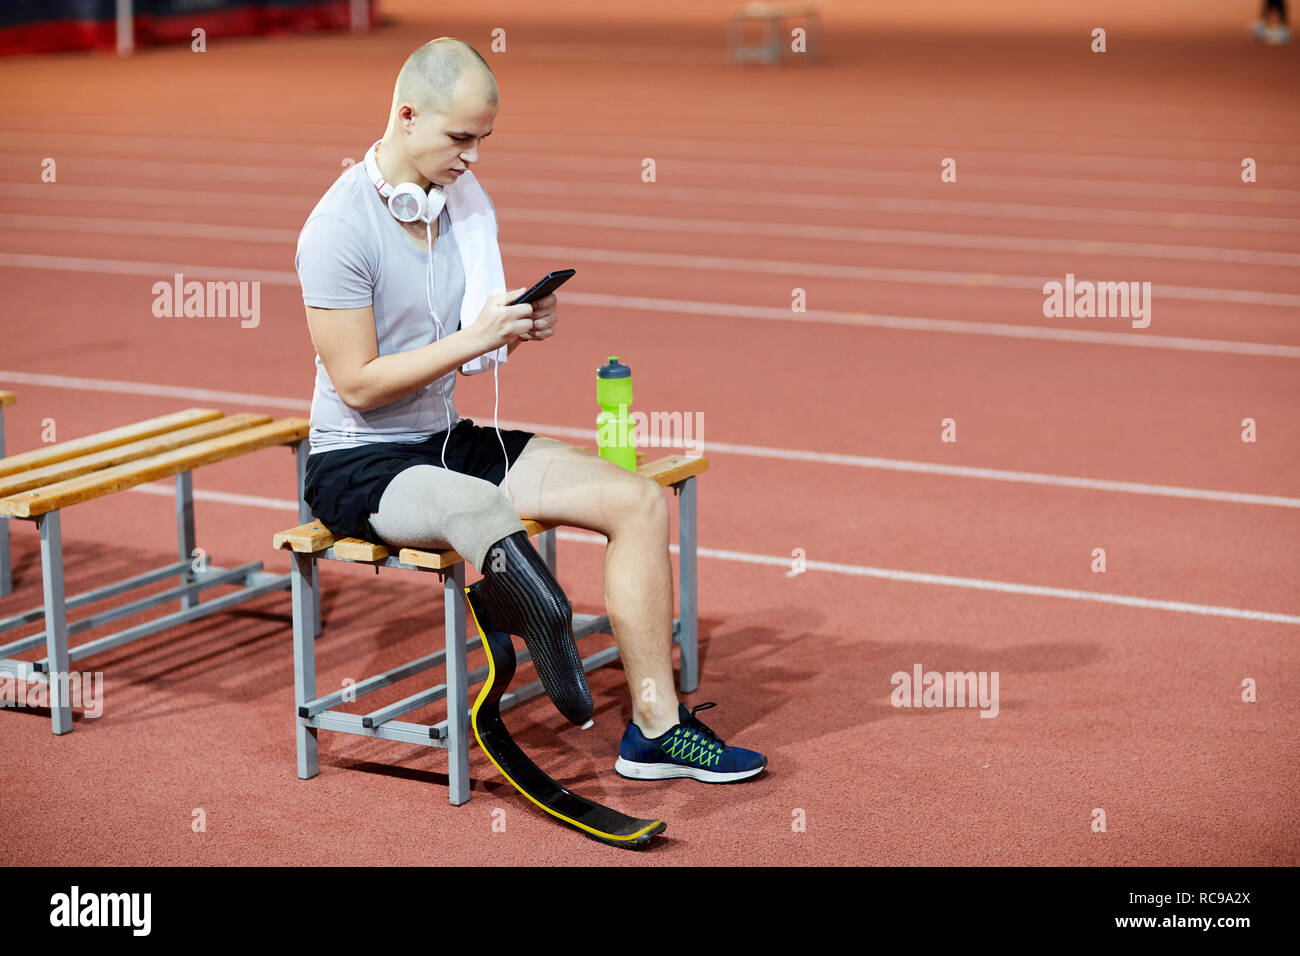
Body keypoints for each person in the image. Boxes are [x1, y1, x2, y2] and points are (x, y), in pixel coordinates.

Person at [294, 37, 766, 783]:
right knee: (474, 504)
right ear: (407, 115)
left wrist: (509, 332)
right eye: (460, 138)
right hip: (357, 461)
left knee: (638, 500)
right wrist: (472, 338)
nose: (473, 158)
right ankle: (534, 613)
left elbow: (466, 350)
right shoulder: (336, 229)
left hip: (445, 439)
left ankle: (655, 728)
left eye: (484, 141)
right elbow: (357, 384)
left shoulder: (462, 207)